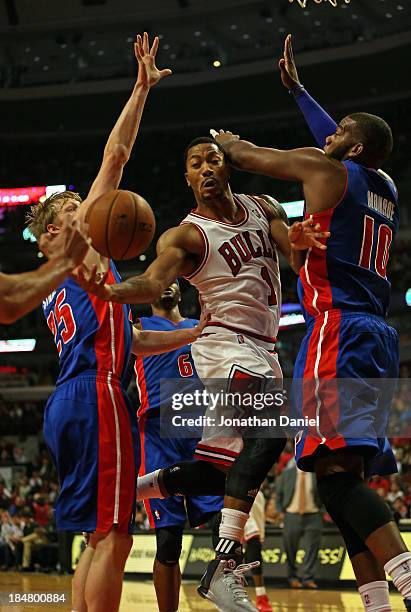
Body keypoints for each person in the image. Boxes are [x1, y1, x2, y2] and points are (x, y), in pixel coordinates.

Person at [76, 133, 327, 611]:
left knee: (217, 474)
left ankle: (128, 490)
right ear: (187, 177)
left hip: (264, 348)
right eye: (196, 163)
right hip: (223, 343)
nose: (207, 167)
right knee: (271, 433)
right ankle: (224, 567)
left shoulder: (263, 206)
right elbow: (152, 281)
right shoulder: (186, 235)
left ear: (227, 165)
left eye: (213, 158)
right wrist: (108, 291)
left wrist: (300, 244)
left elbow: (294, 258)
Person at [209, 33, 411, 612]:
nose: (328, 132)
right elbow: (351, 140)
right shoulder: (384, 186)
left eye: (338, 129)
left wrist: (226, 141)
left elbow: (249, 158)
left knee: (339, 483)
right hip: (377, 336)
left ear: (351, 145)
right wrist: (299, 90)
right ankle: (375, 603)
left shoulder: (328, 171)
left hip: (337, 331)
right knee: (341, 480)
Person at [24, 33, 209, 612]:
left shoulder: (58, 281)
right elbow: (116, 156)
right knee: (119, 535)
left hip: (67, 400)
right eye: (75, 209)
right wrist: (140, 89)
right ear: (55, 229)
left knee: (97, 534)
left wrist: (193, 334)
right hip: (99, 399)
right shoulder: (85, 246)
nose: (91, 211)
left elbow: (133, 339)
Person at [135, 280, 223, 612]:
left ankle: (227, 598)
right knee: (169, 539)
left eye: (172, 277)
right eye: (158, 279)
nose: (166, 283)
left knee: (222, 522)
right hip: (159, 433)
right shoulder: (138, 328)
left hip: (202, 429)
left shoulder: (200, 325)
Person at [0, 217, 89, 324]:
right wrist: (66, 260)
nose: (75, 216)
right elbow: (8, 298)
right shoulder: (66, 273)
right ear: (53, 229)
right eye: (70, 210)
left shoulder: (47, 283)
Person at [275, 461, 322, 589]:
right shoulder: (287, 474)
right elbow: (278, 494)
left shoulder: (316, 473)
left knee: (312, 549)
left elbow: (324, 493)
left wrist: (322, 511)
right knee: (290, 549)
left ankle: (308, 578)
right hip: (291, 515)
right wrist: (280, 511)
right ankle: (292, 577)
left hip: (313, 515)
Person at [243, 490, 274, 612]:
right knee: (234, 556)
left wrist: (261, 535)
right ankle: (234, 596)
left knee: (254, 553)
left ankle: (261, 596)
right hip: (233, 495)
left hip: (252, 492)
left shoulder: (259, 495)